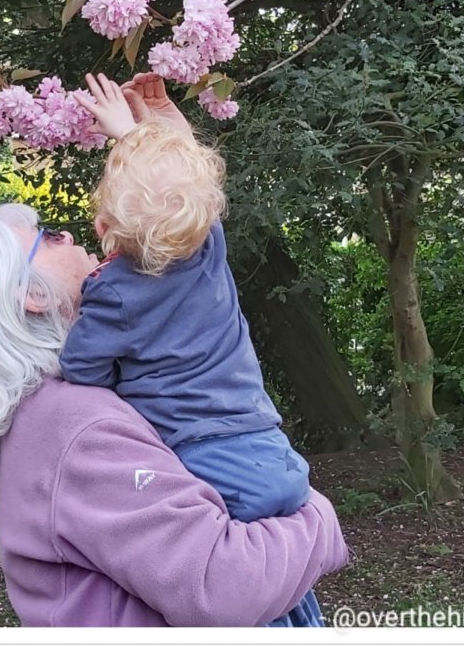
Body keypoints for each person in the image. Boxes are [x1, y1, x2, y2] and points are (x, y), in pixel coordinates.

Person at [0, 202, 350, 627]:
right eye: (49, 236)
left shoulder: (44, 417)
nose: (68, 236)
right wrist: (318, 517)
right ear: (33, 295)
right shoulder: (76, 427)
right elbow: (222, 587)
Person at [62, 73, 324, 626]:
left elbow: (81, 370)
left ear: (105, 226)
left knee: (244, 590)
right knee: (284, 580)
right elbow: (181, 187)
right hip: (264, 442)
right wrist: (147, 127)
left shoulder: (112, 291)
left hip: (201, 457)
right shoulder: (206, 248)